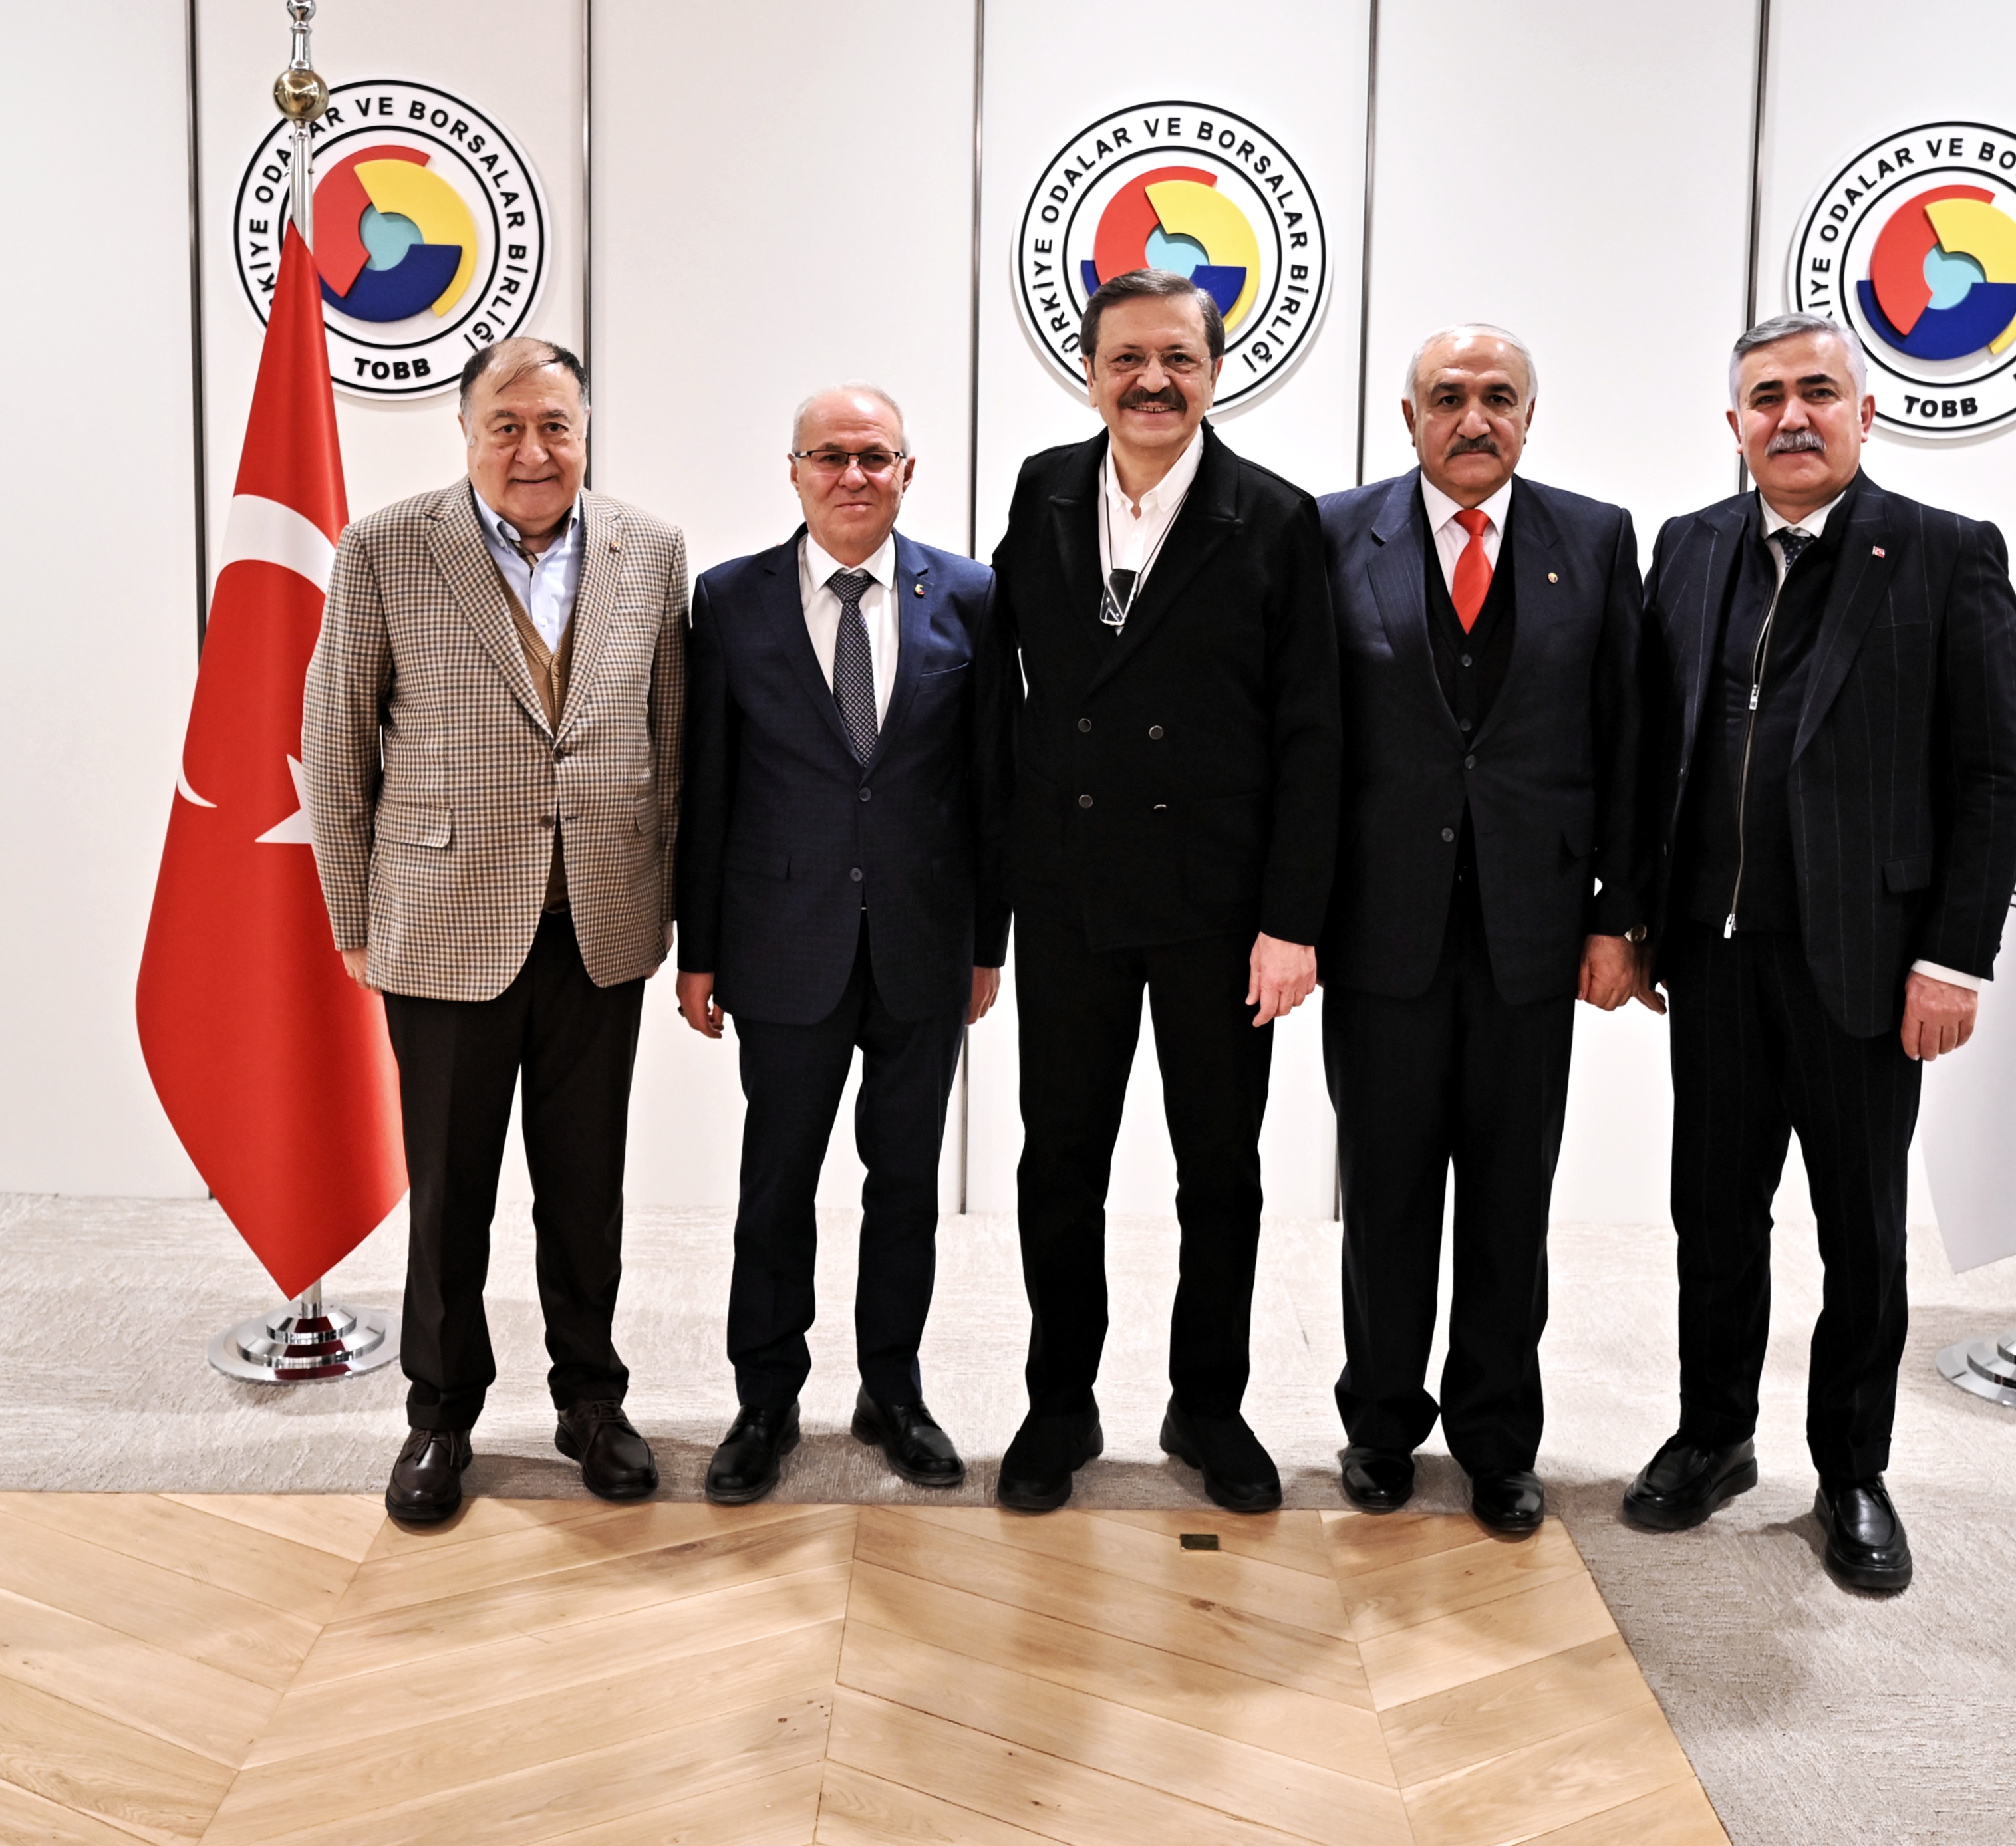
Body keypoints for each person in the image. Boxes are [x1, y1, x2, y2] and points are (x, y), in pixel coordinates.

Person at [1622, 309, 2016, 1591]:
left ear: (1865, 411)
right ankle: (1713, 1433)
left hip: (1862, 963)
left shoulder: (1944, 552)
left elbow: (1994, 772)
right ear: (1733, 422)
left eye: (1815, 391)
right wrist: (1632, 920)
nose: (1790, 416)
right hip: (1713, 958)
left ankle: (1852, 1469)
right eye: (1765, 397)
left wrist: (1954, 958)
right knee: (1711, 1217)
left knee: (1858, 1232)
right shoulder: (1689, 547)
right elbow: (1650, 748)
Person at [305, 336, 688, 1525]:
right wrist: (354, 914)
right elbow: (335, 743)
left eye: (555, 425)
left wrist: (668, 907)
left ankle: (590, 1400)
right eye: (506, 426)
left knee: (586, 1188)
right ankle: (440, 1414)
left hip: (600, 925)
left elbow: (671, 742)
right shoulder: (385, 546)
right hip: (443, 926)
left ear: (586, 431)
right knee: (451, 1191)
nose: (533, 450)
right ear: (466, 433)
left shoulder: (649, 549)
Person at [989, 268, 1340, 1515]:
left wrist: (1291, 921)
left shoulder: (1277, 517)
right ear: (1090, 372)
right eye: (1128, 358)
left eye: (1177, 359)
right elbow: (1007, 694)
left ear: (1214, 372)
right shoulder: (1039, 489)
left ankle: (1208, 1405)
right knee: (1057, 1163)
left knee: (1220, 1174)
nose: (1152, 381)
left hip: (1219, 908)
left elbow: (1312, 733)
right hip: (1069, 896)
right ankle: (1058, 1403)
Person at [1317, 326, 1646, 1539]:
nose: (1472, 418)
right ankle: (1379, 1424)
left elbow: (1625, 739)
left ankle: (1499, 1440)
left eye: (1497, 396)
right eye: (1446, 397)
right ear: (1407, 418)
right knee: (1386, 1194)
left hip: (1532, 931)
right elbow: (1306, 741)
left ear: (1528, 416)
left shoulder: (1594, 539)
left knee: (1511, 1200)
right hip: (1378, 931)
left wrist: (1617, 917)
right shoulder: (1333, 532)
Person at [674, 386, 1007, 1504]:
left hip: (924, 944)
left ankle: (892, 1390)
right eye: (830, 456)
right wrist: (700, 950)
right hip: (781, 944)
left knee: (903, 1183)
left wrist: (987, 940)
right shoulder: (730, 598)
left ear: (907, 471)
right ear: (794, 470)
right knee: (777, 1182)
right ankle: (764, 1398)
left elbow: (989, 782)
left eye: (874, 456)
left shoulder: (968, 594)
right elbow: (708, 786)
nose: (852, 475)